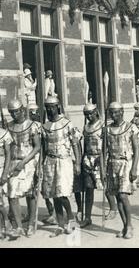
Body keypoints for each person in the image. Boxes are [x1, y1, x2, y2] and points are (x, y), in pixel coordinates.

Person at [42, 96, 81, 238]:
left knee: (62, 193)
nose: (50, 109)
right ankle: (60, 224)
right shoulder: (45, 126)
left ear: (57, 106)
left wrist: (77, 163)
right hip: (50, 161)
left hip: (64, 161)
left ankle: (70, 219)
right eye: (47, 107)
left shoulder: (67, 124)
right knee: (53, 194)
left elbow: (75, 143)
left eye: (52, 107)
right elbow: (43, 147)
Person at [6, 99, 41, 239]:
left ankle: (31, 223)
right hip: (13, 162)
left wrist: (25, 161)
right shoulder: (9, 126)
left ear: (22, 110)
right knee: (12, 194)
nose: (14, 115)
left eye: (16, 112)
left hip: (28, 162)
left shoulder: (32, 125)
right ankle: (19, 227)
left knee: (29, 193)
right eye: (12, 113)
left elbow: (37, 146)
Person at [105, 102, 139, 239]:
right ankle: (125, 226)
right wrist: (103, 169)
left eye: (116, 112)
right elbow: (104, 151)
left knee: (123, 196)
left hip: (126, 163)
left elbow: (136, 150)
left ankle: (130, 225)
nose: (114, 115)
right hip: (112, 164)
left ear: (122, 112)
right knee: (117, 196)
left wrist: (134, 168)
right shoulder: (107, 129)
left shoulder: (131, 128)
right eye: (111, 113)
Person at [28, 104, 57, 225]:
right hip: (32, 160)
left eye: (36, 112)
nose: (34, 115)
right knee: (35, 188)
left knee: (50, 186)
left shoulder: (45, 127)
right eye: (32, 112)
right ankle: (33, 213)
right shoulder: (28, 126)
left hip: (44, 159)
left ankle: (54, 213)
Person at [79, 104, 104, 228]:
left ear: (96, 112)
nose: (89, 116)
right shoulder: (86, 127)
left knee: (105, 187)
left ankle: (114, 208)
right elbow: (84, 144)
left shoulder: (103, 126)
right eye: (86, 114)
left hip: (100, 159)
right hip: (88, 159)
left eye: (90, 113)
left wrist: (103, 159)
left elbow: (106, 145)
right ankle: (87, 217)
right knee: (88, 188)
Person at [0, 126, 12, 240]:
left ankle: (6, 223)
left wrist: (5, 173)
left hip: (1, 169)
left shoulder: (4, 134)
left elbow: (8, 155)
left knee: (1, 200)